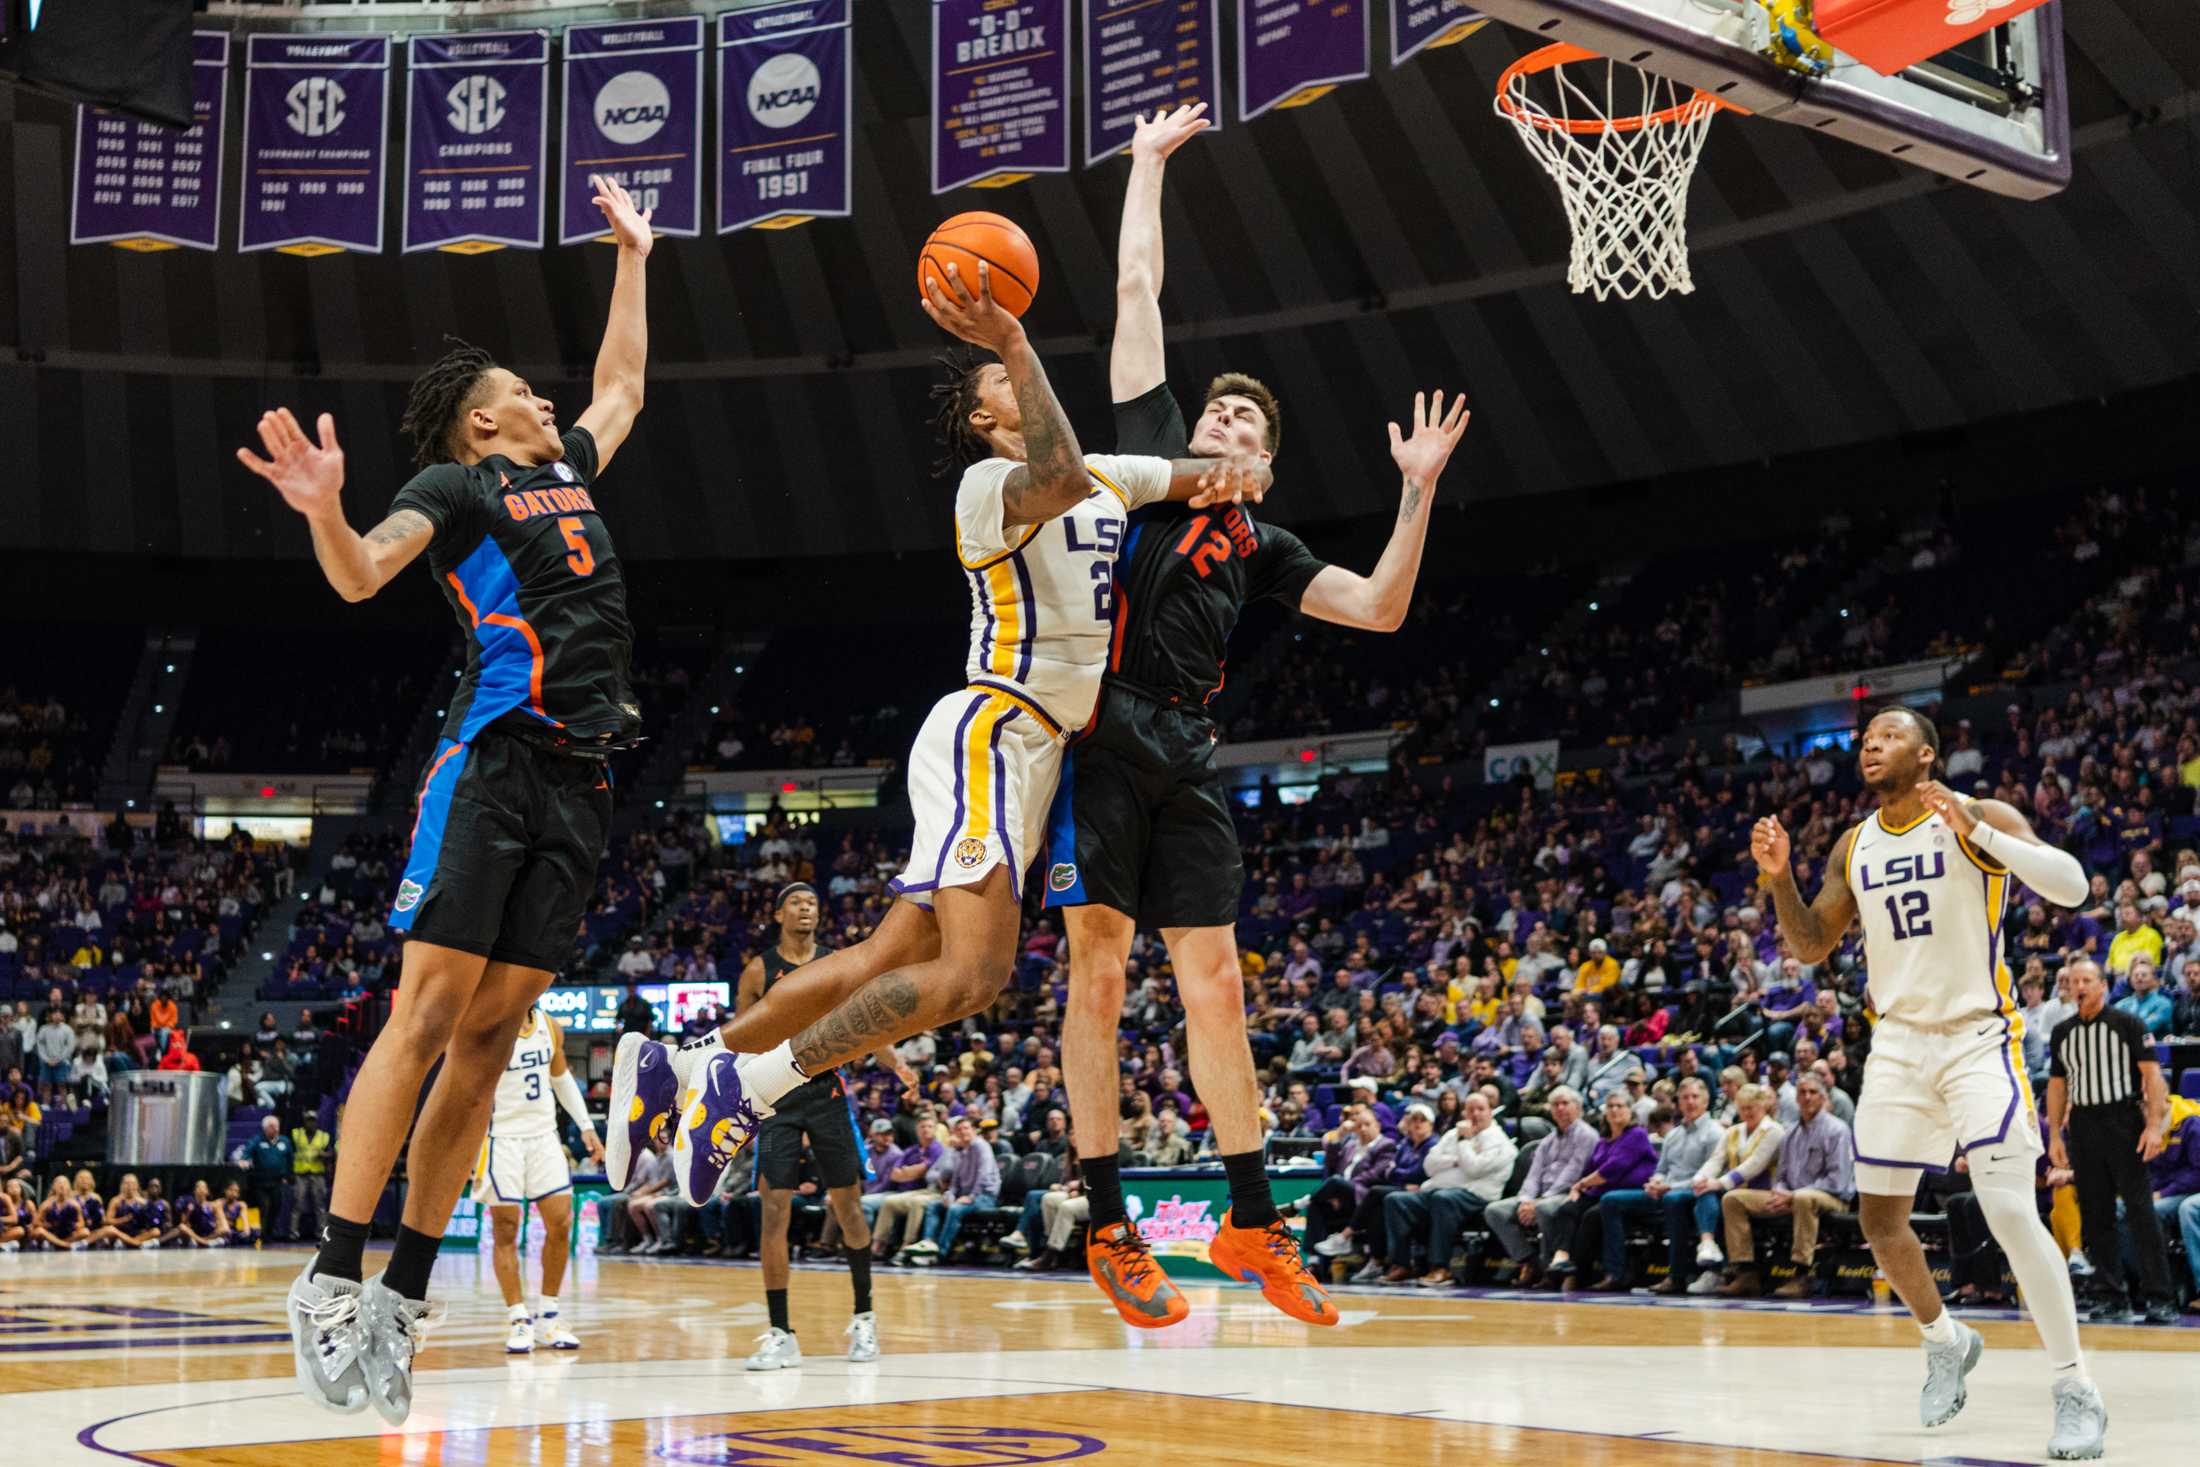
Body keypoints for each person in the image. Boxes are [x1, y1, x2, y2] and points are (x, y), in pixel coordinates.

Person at [605, 260, 1270, 1211]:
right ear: (985, 419)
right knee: (973, 973)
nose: (1021, 384)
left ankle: (687, 1062)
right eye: (1003, 384)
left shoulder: (1106, 478)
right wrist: (1006, 337)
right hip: (993, 731)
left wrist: (1250, 461)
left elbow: (1204, 475)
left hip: (1034, 760)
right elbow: (1056, 472)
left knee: (887, 957)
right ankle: (747, 1090)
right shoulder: (989, 486)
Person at [1042, 102, 1470, 1331]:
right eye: (1215, 417)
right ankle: (1111, 1223)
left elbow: (1384, 608)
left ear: (1268, 467)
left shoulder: (1267, 542)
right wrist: (1144, 165)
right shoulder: (1149, 464)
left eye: (1244, 425)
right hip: (1097, 736)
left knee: (1218, 983)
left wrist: (1414, 494)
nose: (1222, 426)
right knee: (1101, 974)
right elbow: (1136, 288)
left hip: (1184, 750)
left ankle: (1249, 1223)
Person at [248, 174, 655, 1426]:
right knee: (425, 1019)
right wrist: (325, 511)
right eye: (516, 395)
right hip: (493, 766)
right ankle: (328, 1273)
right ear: (478, 430)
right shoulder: (457, 488)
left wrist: (634, 257)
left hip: (585, 784)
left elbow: (625, 385)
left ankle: (405, 1295)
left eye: (541, 390)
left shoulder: (570, 464)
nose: (543, 398)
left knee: (491, 1043)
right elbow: (366, 575)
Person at [1753, 705, 2105, 1456]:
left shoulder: (1975, 812)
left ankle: (2076, 1386)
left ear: (1928, 753)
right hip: (1900, 1044)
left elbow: (2073, 886)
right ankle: (1944, 1338)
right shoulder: (1854, 844)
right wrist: (1781, 880)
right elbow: (1812, 942)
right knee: (1880, 1219)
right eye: (1866, 736)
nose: (1871, 742)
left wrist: (1982, 836)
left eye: (1889, 733)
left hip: (1980, 1035)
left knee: (2009, 1208)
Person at [738, 884, 914, 1373]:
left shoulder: (838, 962)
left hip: (827, 1092)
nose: (805, 908)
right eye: (795, 902)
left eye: (811, 902)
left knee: (849, 1205)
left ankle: (865, 1318)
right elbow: (741, 1036)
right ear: (778, 914)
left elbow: (870, 1020)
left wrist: (897, 1065)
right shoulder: (759, 969)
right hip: (775, 1094)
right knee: (774, 1212)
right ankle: (780, 1333)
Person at [2046, 959, 2177, 1325]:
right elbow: (2057, 1087)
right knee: (2095, 1212)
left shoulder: (2128, 1024)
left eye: (2087, 979)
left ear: (2103, 986)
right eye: (2074, 981)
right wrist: (2056, 1134)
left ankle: (2159, 1297)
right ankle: (2110, 1295)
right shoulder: (2062, 1033)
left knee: (2140, 1212)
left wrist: (2152, 1127)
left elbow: (2152, 1078)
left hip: (2123, 1120)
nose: (2080, 986)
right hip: (2084, 1125)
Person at [472, 1005, 601, 1353]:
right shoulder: (490, 1023)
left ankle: (549, 1315)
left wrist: (586, 1126)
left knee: (560, 1224)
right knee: (506, 1230)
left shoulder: (549, 1025)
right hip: (501, 1139)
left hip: (544, 1136)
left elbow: (561, 1080)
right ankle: (518, 1318)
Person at [1714, 1072, 1855, 1297]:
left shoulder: (1837, 1130)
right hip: (1791, 1197)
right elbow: (1781, 1175)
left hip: (1833, 1198)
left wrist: (1793, 1194)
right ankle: (1746, 1271)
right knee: (1733, 1199)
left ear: (1823, 1097)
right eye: (1802, 1092)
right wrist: (1779, 1192)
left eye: (1813, 1092)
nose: (1807, 1097)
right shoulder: (1791, 1133)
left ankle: (1802, 1274)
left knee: (1803, 1198)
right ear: (1796, 1098)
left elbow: (1836, 1180)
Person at [1586, 1075, 1724, 1293]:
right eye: (1685, 1097)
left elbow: (1709, 1175)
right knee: (1610, 1200)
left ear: (1706, 1101)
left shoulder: (1715, 1132)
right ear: (1678, 1102)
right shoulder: (1673, 1135)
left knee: (1673, 1199)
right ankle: (1616, 1273)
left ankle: (1677, 1275)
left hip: (1694, 1194)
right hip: (1665, 1191)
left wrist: (1669, 1187)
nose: (1690, 1102)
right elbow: (1661, 1169)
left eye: (1695, 1097)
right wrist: (1656, 1181)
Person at [1390, 1091, 1518, 1286]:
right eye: (1470, 1109)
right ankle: (1402, 1264)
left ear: (1490, 1112)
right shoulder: (1453, 1134)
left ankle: (1441, 1268)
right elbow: (1429, 1165)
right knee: (1396, 1200)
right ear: (1464, 1112)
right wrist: (1457, 1159)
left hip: (1477, 1196)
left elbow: (1474, 1170)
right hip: (1440, 1190)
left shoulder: (1499, 1142)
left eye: (1480, 1109)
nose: (1475, 1114)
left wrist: (1464, 1143)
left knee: (1443, 1199)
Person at [1482, 1087, 1597, 1287]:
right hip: (1539, 1196)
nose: (1560, 1108)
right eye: (1555, 1105)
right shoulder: (1547, 1140)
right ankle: (1529, 1261)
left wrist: (1538, 1202)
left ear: (1577, 1108)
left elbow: (1573, 1174)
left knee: (1545, 1209)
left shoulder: (1587, 1136)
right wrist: (1526, 1200)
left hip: (1567, 1195)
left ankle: (1549, 1270)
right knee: (1495, 1211)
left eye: (1565, 1103)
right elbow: (1533, 1176)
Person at [1547, 1093, 1657, 1289]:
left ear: (1630, 1111)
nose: (1614, 1110)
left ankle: (1576, 1273)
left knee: (1591, 1216)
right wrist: (1578, 1190)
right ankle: (1560, 1258)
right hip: (1599, 1194)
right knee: (1567, 1209)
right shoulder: (1603, 1141)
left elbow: (1612, 1170)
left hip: (1629, 1196)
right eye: (1610, 1106)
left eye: (1619, 1106)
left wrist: (1580, 1184)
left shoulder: (1637, 1134)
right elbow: (1589, 1171)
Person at [239, 1113, 294, 1243]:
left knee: (276, 1206)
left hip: (277, 1182)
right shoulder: (258, 1140)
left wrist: (288, 1175)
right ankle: (262, 1235)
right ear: (265, 1128)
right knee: (265, 1206)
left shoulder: (284, 1141)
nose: (275, 1129)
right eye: (272, 1126)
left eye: (277, 1126)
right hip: (260, 1182)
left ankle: (270, 1233)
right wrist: (244, 1160)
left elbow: (290, 1160)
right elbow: (247, 1151)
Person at [291, 1115, 334, 1244]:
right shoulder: (296, 1133)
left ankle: (321, 1232)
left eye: (313, 1121)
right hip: (301, 1174)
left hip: (317, 1174)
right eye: (308, 1121)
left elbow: (333, 1153)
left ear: (317, 1122)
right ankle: (293, 1232)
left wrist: (323, 1155)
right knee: (297, 1203)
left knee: (320, 1204)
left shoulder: (324, 1136)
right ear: (304, 1122)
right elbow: (291, 1152)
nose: (311, 1123)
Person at [29, 1174, 86, 1250]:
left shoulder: (75, 1204)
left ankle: (57, 1244)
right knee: (39, 1231)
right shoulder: (46, 1204)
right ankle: (66, 1245)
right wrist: (46, 1225)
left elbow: (81, 1223)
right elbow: (35, 1223)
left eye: (64, 1184)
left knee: (85, 1232)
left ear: (69, 1187)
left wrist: (74, 1225)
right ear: (54, 1187)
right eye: (59, 1184)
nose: (62, 1186)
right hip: (51, 1233)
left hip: (67, 1233)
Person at [220, 1180, 260, 1246]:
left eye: (236, 1191)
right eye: (231, 1190)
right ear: (225, 1190)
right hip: (223, 1230)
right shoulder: (220, 1203)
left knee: (255, 1232)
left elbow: (245, 1219)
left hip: (233, 1230)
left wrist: (246, 1229)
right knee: (226, 1235)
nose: (233, 1193)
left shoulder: (241, 1205)